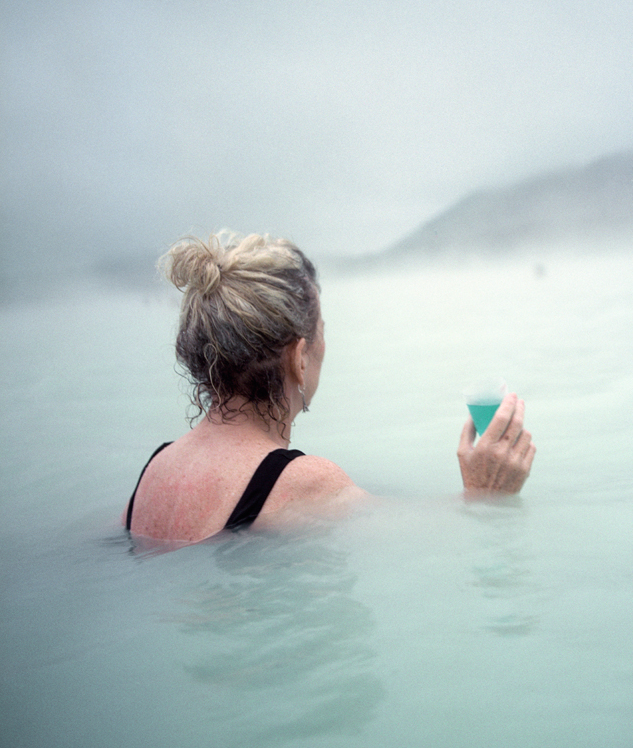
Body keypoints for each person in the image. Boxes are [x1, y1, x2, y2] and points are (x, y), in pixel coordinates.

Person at [124, 231, 536, 542]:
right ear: (298, 358)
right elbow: (422, 543)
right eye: (322, 330)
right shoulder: (304, 483)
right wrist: (487, 495)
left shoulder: (154, 472)